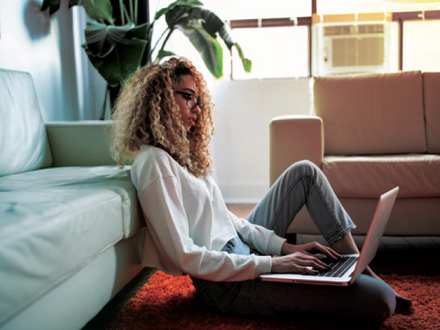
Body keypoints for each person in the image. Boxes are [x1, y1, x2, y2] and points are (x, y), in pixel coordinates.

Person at [110, 57, 411, 324]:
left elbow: (229, 221)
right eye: (188, 98)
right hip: (225, 284)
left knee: (304, 172)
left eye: (198, 100)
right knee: (380, 301)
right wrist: (272, 264)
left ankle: (359, 268)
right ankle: (361, 278)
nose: (197, 109)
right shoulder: (154, 163)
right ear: (160, 98)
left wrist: (284, 248)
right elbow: (184, 256)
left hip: (245, 253)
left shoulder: (182, 154)